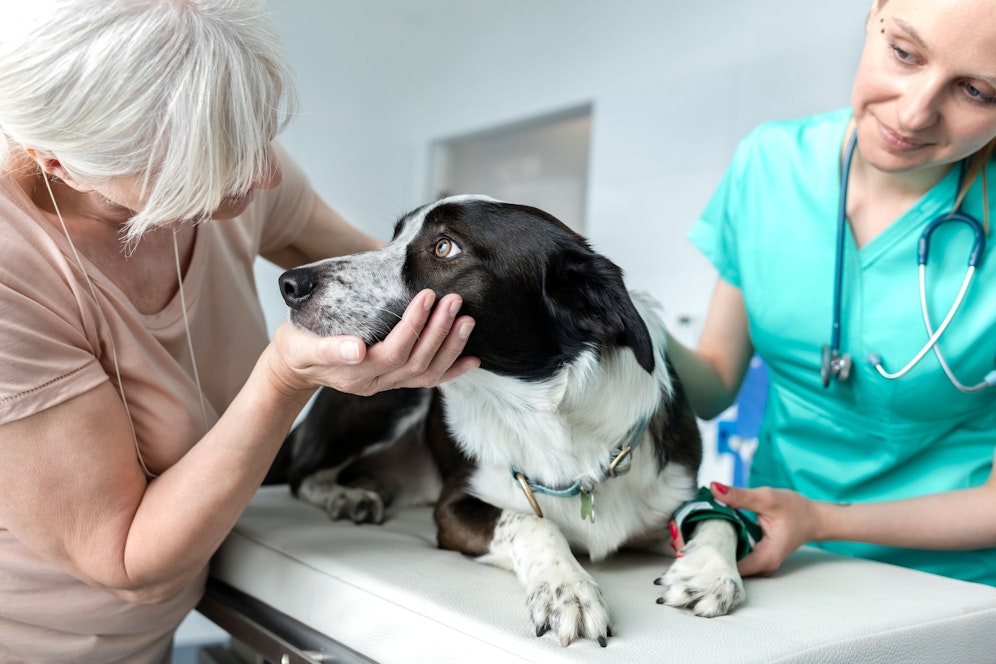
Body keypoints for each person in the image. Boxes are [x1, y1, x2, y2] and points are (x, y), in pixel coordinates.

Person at [0, 1, 479, 661]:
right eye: (210, 164)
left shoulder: (236, 158)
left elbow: (397, 285)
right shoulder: (12, 271)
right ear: (59, 163)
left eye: (259, 133)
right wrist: (284, 379)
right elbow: (125, 560)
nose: (266, 176)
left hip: (155, 637)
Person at [667, 0, 996, 585]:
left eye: (976, 91)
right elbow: (714, 383)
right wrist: (623, 319)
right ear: (875, 13)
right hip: (772, 561)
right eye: (904, 53)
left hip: (950, 589)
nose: (915, 113)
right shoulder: (768, 164)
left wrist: (819, 519)